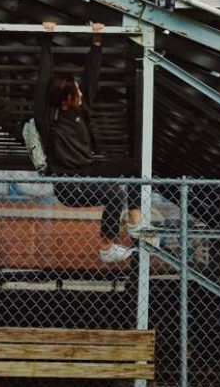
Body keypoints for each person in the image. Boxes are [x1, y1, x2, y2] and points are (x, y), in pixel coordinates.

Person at [34, 22, 142, 264]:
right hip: (68, 185)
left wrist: (96, 42)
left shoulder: (82, 111)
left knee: (137, 165)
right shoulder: (48, 119)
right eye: (77, 93)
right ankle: (106, 247)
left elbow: (90, 79)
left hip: (87, 172)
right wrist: (47, 40)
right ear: (65, 99)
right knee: (114, 193)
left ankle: (135, 221)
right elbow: (44, 79)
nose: (82, 94)